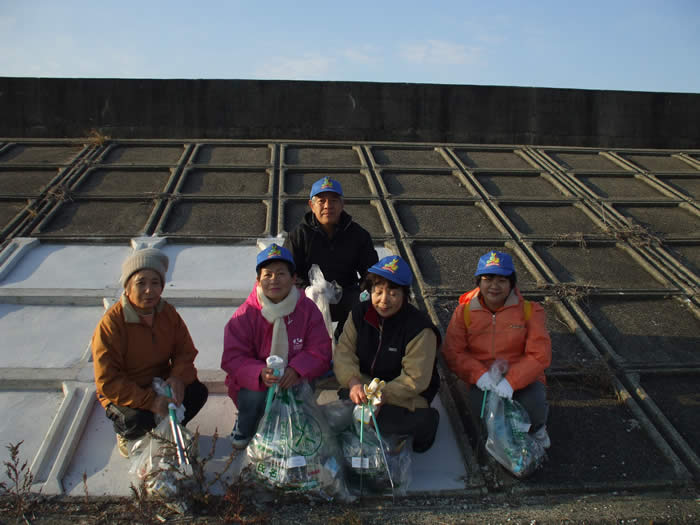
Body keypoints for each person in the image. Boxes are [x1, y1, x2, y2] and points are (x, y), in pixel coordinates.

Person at [91, 247, 209, 458]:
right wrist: (150, 401)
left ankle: (170, 426)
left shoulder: (167, 313)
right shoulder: (111, 325)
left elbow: (185, 351)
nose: (149, 290)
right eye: (141, 283)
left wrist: (177, 378)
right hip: (126, 390)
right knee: (137, 418)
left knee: (197, 393)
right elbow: (107, 380)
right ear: (127, 287)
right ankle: (128, 435)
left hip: (160, 383)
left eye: (155, 283)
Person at [221, 243, 333, 449]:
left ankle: (294, 426)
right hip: (260, 381)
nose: (274, 280)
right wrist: (259, 373)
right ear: (258, 280)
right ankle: (245, 423)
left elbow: (321, 349)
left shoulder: (307, 309)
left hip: (295, 377)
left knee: (298, 421)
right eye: (267, 275)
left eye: (281, 274)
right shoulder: (245, 314)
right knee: (253, 394)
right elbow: (232, 357)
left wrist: (298, 369)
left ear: (294, 278)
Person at [443, 251, 552, 447]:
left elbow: (539, 354)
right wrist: (479, 375)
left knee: (533, 406)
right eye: (488, 279)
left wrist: (511, 382)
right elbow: (454, 351)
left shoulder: (530, 311)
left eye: (502, 280)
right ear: (479, 282)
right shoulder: (464, 312)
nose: (494, 286)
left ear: (511, 283)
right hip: (485, 379)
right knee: (483, 412)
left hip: (524, 376)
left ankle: (537, 430)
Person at [333, 255, 441, 453]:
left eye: (392, 293)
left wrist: (383, 395)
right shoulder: (358, 314)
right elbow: (344, 352)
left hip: (403, 395)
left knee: (404, 424)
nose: (384, 300)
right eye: (378, 291)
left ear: (404, 294)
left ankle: (426, 422)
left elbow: (415, 378)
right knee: (345, 410)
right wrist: (353, 382)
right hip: (366, 386)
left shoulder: (420, 329)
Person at [284, 176, 379, 339]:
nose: (328, 206)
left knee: (367, 304)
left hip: (345, 294)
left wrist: (365, 291)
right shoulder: (298, 235)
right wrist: (307, 289)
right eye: (321, 201)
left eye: (334, 200)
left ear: (342, 204)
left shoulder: (358, 235)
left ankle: (343, 344)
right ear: (311, 205)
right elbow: (287, 270)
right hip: (309, 297)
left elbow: (370, 271)